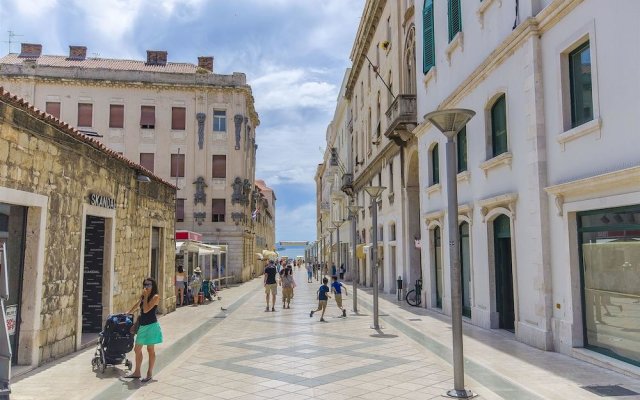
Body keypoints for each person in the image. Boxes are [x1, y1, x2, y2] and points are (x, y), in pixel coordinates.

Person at [125, 277, 163, 383]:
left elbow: (146, 309)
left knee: (150, 350)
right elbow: (138, 304)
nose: (146, 286)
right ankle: (137, 372)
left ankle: (149, 373)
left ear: (153, 286)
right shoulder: (143, 295)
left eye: (149, 285)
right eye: (145, 284)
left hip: (151, 326)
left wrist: (146, 297)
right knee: (137, 349)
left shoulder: (156, 297)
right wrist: (128, 312)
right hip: (142, 326)